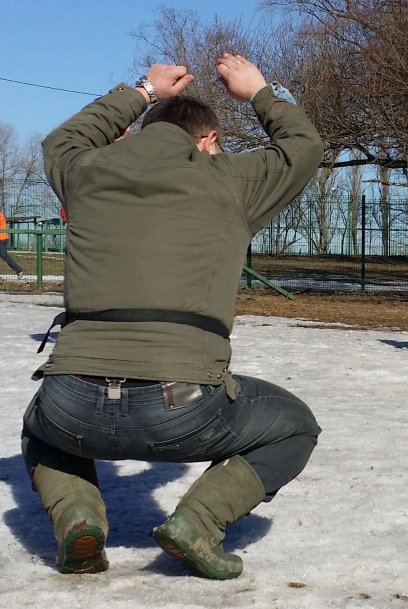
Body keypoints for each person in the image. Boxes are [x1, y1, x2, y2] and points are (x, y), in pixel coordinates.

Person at [21, 54, 324, 579]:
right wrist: (259, 91)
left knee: (42, 424)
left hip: (72, 396)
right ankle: (199, 521)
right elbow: (303, 147)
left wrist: (142, 89)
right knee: (294, 424)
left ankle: (76, 516)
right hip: (179, 399)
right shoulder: (229, 178)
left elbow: (61, 141)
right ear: (206, 141)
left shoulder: (86, 172)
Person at [0, 209, 24, 278]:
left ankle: (19, 270)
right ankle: (19, 270)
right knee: (4, 255)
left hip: (2, 239)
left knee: (4, 255)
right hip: (2, 238)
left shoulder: (0, 215)